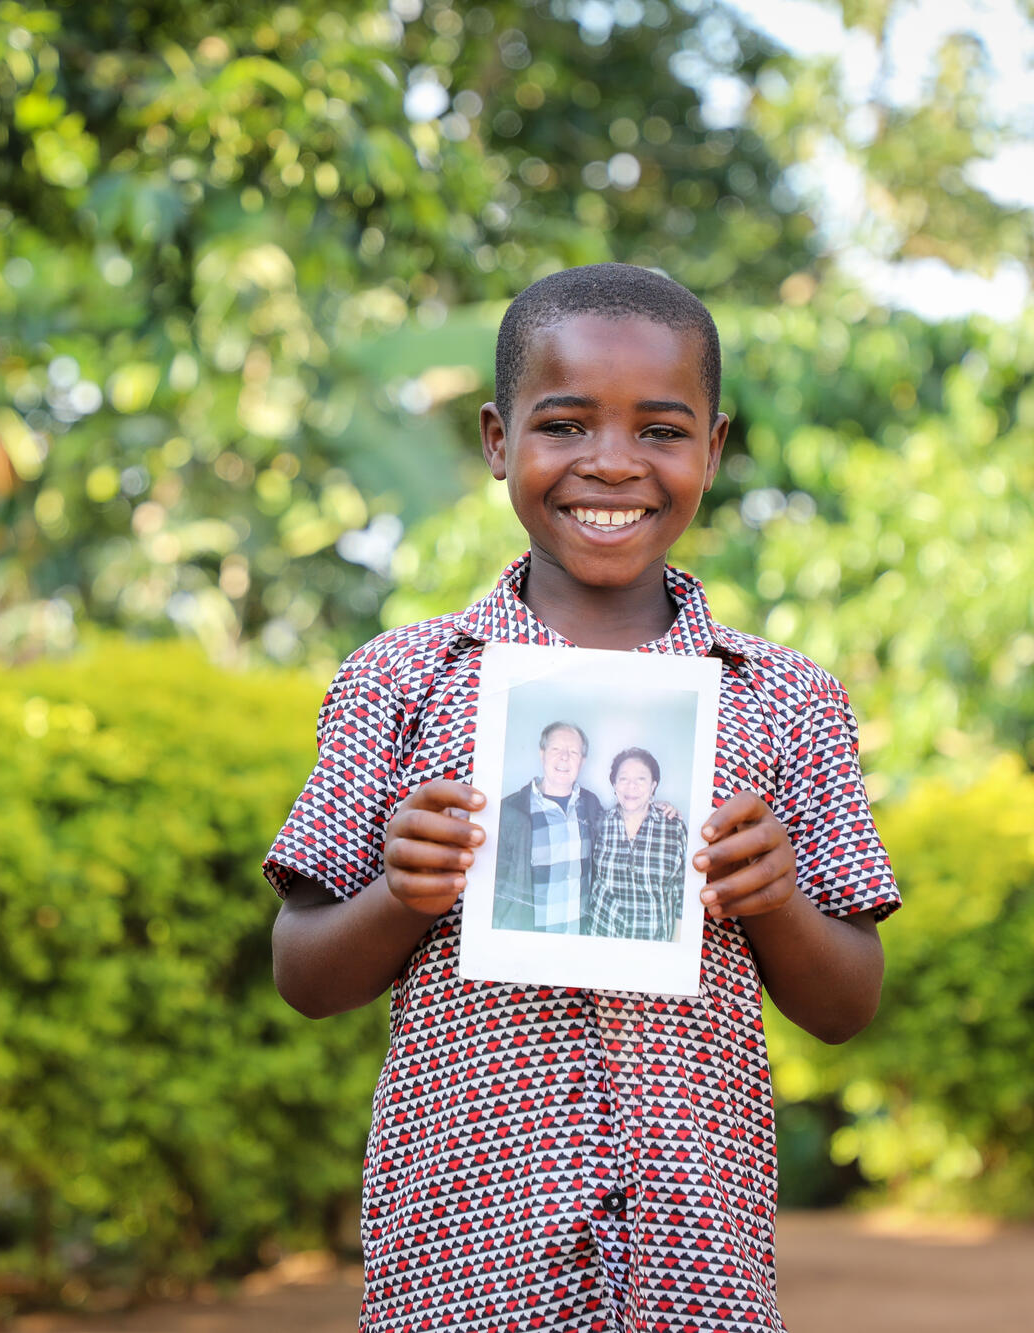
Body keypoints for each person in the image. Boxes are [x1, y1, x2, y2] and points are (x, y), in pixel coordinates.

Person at [267, 262, 899, 1332]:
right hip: (464, 1257)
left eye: (660, 430)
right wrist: (400, 893)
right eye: (564, 425)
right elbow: (302, 971)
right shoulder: (400, 680)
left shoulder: (787, 700)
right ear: (496, 439)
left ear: (713, 445)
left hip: (695, 1259)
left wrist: (778, 898)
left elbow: (844, 1005)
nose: (611, 463)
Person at [493, 720, 602, 933]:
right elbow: (493, 885)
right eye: (556, 749)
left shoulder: (591, 804)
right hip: (528, 939)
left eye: (573, 752)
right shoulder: (509, 811)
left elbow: (624, 823)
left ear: (583, 761)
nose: (564, 757)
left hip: (579, 936)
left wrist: (659, 807)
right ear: (542, 754)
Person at [587, 747, 688, 942]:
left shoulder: (673, 827)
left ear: (653, 786)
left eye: (641, 779)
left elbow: (682, 893)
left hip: (654, 943)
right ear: (614, 784)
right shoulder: (600, 823)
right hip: (602, 937)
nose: (631, 786)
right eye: (623, 778)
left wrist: (676, 947)